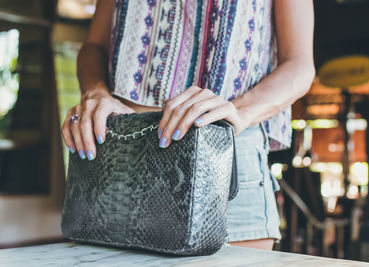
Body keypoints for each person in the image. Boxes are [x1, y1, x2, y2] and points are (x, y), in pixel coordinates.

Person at [61, 0, 315, 250]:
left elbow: (299, 64)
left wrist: (238, 110)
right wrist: (96, 92)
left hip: (224, 160)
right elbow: (94, 45)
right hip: (123, 163)